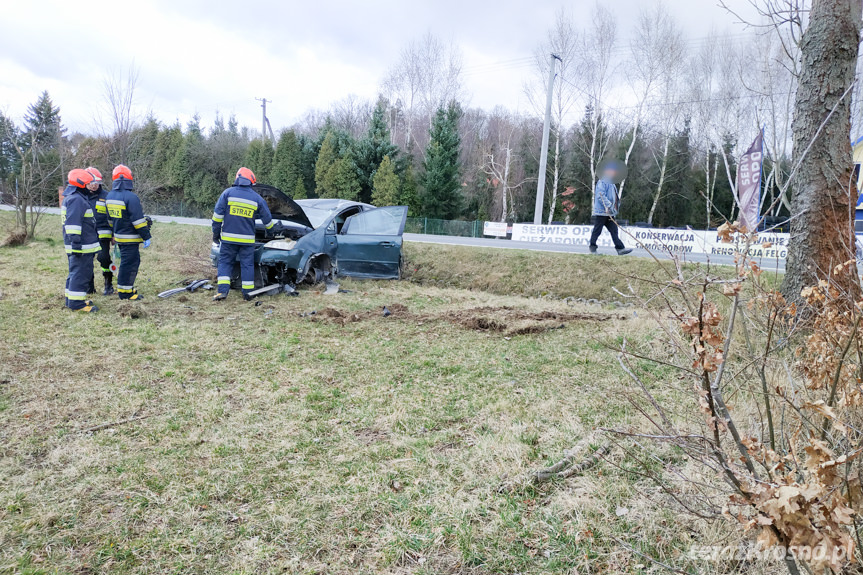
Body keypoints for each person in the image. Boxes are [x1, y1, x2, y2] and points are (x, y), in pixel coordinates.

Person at [212, 167, 275, 301]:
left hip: (228, 239)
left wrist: (215, 235)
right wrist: (271, 233)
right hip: (247, 242)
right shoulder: (256, 198)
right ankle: (247, 294)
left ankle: (222, 292)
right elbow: (267, 220)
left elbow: (217, 217)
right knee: (247, 265)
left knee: (225, 263)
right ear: (251, 182)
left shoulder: (227, 194)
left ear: (237, 178)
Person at [106, 164, 151, 300]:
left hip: (119, 236)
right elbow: (137, 221)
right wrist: (146, 236)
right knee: (130, 264)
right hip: (130, 238)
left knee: (127, 262)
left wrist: (113, 234)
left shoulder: (110, 196)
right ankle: (125, 293)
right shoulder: (131, 197)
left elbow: (110, 219)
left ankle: (126, 289)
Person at [61, 168, 100, 313]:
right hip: (81, 245)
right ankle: (77, 304)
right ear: (81, 184)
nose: (90, 186)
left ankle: (71, 299)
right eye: (88, 183)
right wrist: (76, 244)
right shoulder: (77, 199)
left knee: (75, 272)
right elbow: (73, 224)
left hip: (80, 244)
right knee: (80, 273)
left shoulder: (73, 197)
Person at [588, 164, 633, 255]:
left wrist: (614, 208)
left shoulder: (611, 183)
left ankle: (620, 249)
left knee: (614, 230)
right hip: (602, 212)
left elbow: (614, 198)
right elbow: (601, 196)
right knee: (597, 230)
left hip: (609, 212)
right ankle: (592, 248)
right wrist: (608, 206)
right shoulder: (602, 182)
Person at [85, 167, 115, 295]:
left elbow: (113, 217)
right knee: (87, 260)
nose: (94, 185)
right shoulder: (81, 196)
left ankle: (108, 284)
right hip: (87, 234)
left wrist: (114, 234)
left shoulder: (107, 196)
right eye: (91, 182)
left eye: (96, 182)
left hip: (104, 234)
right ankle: (89, 286)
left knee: (104, 258)